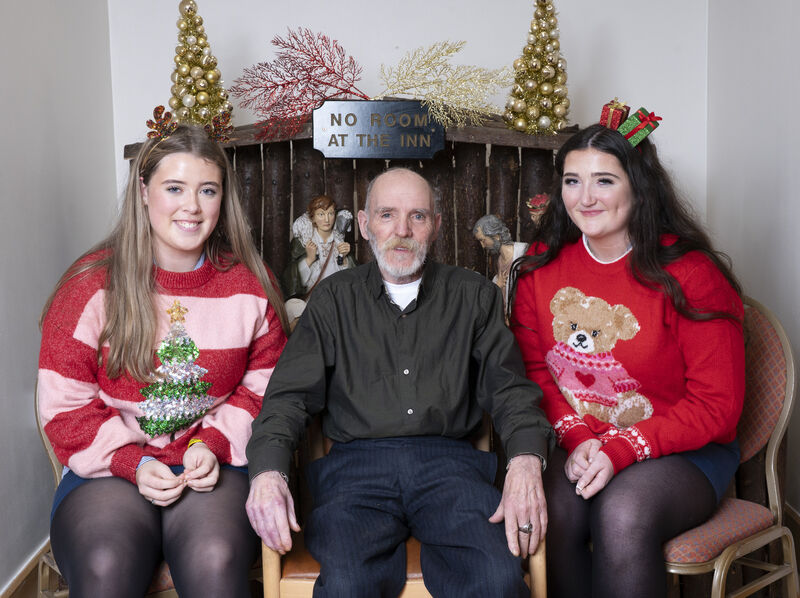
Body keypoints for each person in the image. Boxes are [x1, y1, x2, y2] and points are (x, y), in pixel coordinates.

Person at [246, 167, 553, 597]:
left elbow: (511, 392)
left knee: (496, 580)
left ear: (436, 225)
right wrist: (268, 472)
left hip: (451, 470)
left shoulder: (473, 296)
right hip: (354, 474)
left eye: (418, 216)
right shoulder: (333, 299)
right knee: (348, 585)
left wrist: (525, 460)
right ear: (365, 224)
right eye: (387, 214)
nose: (402, 230)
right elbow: (287, 398)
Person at [38, 124, 289, 598]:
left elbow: (267, 389)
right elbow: (64, 405)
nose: (192, 206)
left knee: (214, 557)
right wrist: (130, 462)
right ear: (143, 192)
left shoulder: (251, 286)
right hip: (108, 468)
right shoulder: (88, 285)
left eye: (207, 190)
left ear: (222, 199)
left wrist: (213, 443)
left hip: (212, 464)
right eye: (174, 188)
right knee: (106, 561)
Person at [509, 121, 745, 598]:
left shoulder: (691, 273)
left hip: (683, 450)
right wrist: (576, 437)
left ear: (639, 186)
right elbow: (534, 372)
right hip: (582, 439)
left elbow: (717, 405)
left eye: (604, 180)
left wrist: (623, 449)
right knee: (556, 508)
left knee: (622, 511)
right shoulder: (540, 263)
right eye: (572, 181)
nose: (585, 198)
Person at [282, 194, 356, 300]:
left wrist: (344, 259)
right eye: (321, 214)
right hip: (312, 299)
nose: (327, 219)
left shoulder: (340, 241)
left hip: (335, 298)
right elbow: (291, 280)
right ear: (313, 218)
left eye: (330, 213)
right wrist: (309, 259)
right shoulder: (303, 243)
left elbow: (351, 279)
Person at [472, 214, 529, 313]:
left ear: (496, 236)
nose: (483, 246)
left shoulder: (523, 251)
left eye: (483, 240)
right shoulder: (500, 260)